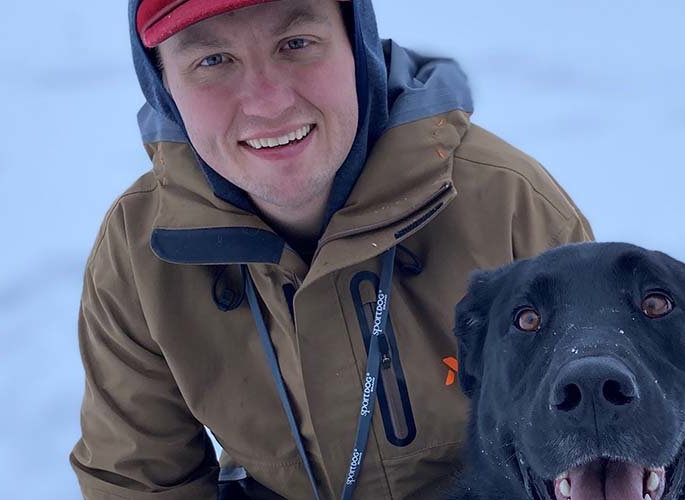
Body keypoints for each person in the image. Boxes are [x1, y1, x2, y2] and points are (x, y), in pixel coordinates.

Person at [70, 0, 593, 498]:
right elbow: (138, 480)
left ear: (357, 44)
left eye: (296, 43)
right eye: (212, 60)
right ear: (163, 86)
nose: (268, 102)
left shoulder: (509, 208)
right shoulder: (142, 250)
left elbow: (597, 450)